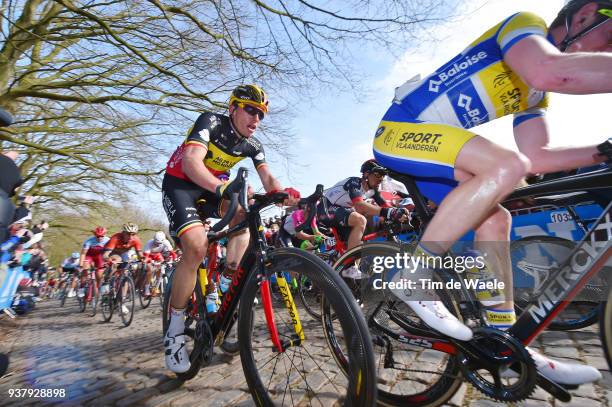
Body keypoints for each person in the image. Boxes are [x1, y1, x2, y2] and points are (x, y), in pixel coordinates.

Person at [372, 0, 612, 386]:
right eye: (610, 37)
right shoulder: (525, 25)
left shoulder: (536, 95)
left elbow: (536, 157)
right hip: (401, 130)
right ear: (584, 15)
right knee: (506, 165)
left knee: (498, 217)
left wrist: (601, 151)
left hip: (435, 146)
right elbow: (552, 71)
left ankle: (506, 339)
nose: (606, 50)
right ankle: (412, 274)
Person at [161, 84, 300, 373]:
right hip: (182, 184)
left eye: (261, 114)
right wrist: (222, 187)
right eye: (251, 110)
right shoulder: (210, 121)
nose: (256, 119)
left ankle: (225, 284)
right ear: (233, 108)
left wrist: (283, 194)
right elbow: (190, 162)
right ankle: (173, 333)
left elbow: (268, 177)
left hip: (214, 189)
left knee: (244, 217)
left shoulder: (253, 145)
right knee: (198, 246)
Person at [317, 159, 410, 278]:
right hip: (325, 209)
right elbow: (360, 206)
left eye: (383, 175)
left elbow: (386, 206)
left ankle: (342, 267)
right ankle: (349, 267)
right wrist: (389, 212)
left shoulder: (373, 191)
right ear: (366, 174)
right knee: (360, 220)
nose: (381, 178)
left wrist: (401, 212)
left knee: (360, 241)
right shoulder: (354, 182)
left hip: (341, 211)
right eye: (377, 174)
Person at [103, 223, 144, 315]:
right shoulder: (116, 238)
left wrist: (143, 259)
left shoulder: (136, 240)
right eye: (128, 233)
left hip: (124, 253)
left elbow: (140, 254)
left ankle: (122, 303)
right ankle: (106, 284)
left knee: (125, 274)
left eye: (133, 234)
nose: (130, 236)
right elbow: (105, 255)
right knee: (117, 260)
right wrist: (109, 260)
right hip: (112, 252)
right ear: (123, 233)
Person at [142, 231, 176, 296]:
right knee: (150, 270)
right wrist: (148, 261)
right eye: (156, 243)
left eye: (160, 243)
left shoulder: (166, 242)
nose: (158, 245)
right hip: (149, 256)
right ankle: (146, 289)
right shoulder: (149, 243)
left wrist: (174, 259)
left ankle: (156, 287)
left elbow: (173, 253)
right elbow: (146, 257)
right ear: (154, 240)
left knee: (160, 269)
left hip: (157, 255)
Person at [79, 227, 110, 297]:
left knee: (99, 275)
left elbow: (110, 252)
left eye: (102, 236)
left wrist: (108, 261)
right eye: (98, 236)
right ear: (95, 235)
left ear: (104, 235)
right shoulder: (89, 241)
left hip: (99, 257)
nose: (100, 238)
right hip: (89, 256)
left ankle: (98, 288)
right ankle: (82, 286)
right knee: (85, 268)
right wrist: (81, 264)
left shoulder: (108, 240)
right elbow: (83, 253)